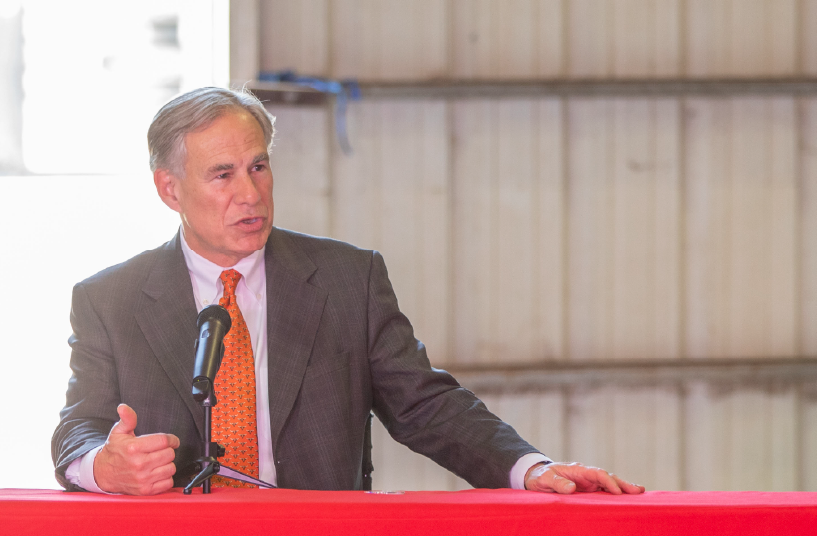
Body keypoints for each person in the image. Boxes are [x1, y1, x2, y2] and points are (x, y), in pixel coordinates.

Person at [52, 86, 644, 499]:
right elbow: (79, 427)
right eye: (222, 175)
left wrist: (528, 468)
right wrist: (102, 467)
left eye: (258, 166)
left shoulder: (346, 280)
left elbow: (424, 404)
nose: (250, 194)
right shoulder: (111, 300)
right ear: (169, 190)